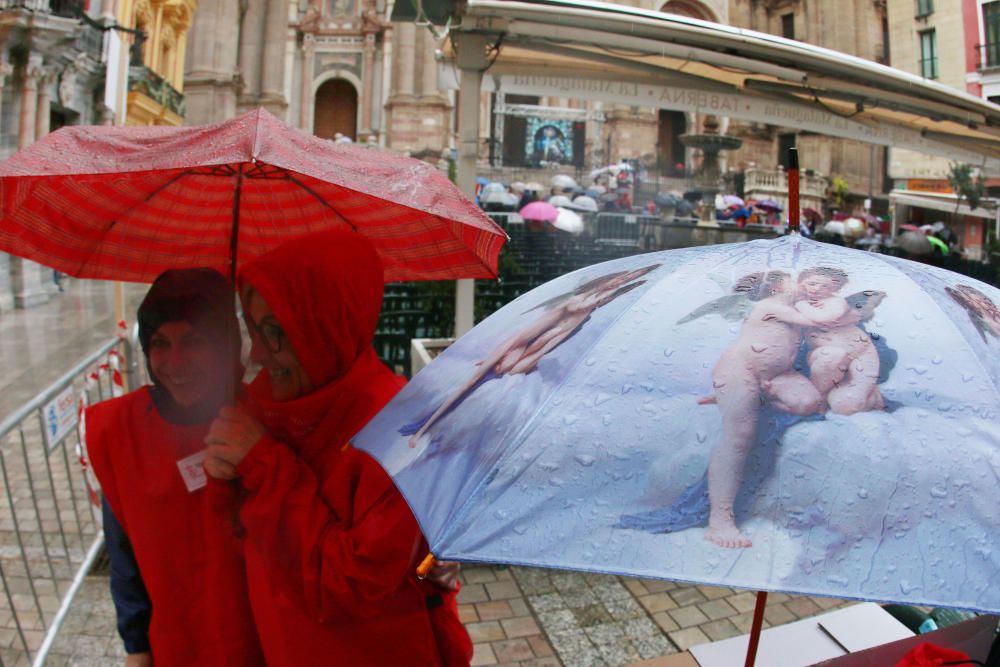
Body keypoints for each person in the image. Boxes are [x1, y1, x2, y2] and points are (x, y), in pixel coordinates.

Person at [202, 230, 472, 666]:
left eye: (275, 331)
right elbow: (242, 540)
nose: (258, 354)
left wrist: (263, 464)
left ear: (326, 324)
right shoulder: (268, 403)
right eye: (253, 328)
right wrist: (222, 474)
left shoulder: (399, 429)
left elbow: (350, 585)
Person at [86, 268, 265, 666]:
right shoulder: (120, 431)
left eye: (194, 341)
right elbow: (123, 549)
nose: (175, 362)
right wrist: (136, 645)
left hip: (259, 642)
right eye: (160, 343)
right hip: (174, 644)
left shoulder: (261, 422)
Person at [403, 264, 659, 452]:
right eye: (613, 283)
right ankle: (424, 428)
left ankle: (434, 429)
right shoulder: (578, 301)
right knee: (471, 382)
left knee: (491, 383)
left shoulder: (587, 312)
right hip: (519, 344)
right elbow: (527, 336)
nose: (612, 288)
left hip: (531, 351)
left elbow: (550, 341)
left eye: (616, 287)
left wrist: (638, 279)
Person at [697, 271, 836, 548]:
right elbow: (820, 321)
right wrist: (828, 306)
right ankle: (720, 519)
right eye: (794, 280)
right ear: (775, 287)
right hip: (742, 368)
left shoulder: (790, 309)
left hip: (777, 375)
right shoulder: (770, 307)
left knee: (811, 402)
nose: (802, 285)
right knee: (739, 436)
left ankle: (753, 397)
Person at [796, 267, 885, 415]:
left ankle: (871, 395)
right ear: (800, 284)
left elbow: (825, 318)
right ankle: (820, 397)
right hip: (826, 356)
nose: (817, 289)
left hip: (860, 355)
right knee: (831, 355)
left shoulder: (836, 302)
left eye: (825, 286)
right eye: (812, 284)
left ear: (834, 289)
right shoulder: (792, 304)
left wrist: (801, 305)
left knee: (845, 406)